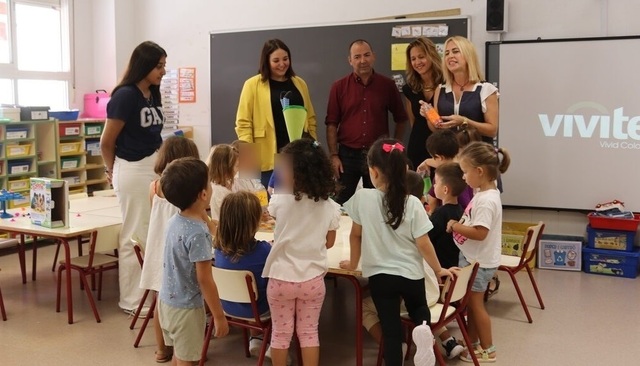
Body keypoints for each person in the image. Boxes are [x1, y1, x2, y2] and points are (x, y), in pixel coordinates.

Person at [339, 139, 453, 366]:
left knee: (391, 333)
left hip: (381, 277)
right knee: (418, 307)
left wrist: (353, 263)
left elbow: (355, 235)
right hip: (411, 274)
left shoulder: (363, 198)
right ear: (405, 171)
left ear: (373, 172)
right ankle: (422, 328)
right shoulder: (412, 203)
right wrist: (438, 269)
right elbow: (424, 244)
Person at [360, 168, 464, 361]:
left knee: (365, 306)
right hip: (433, 295)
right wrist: (440, 269)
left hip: (403, 292)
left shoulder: (396, 225)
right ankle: (446, 340)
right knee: (420, 311)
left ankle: (396, 345)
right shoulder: (421, 216)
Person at [100, 41, 167, 313]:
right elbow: (106, 142)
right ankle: (132, 301)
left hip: (152, 166)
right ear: (144, 65)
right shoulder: (125, 96)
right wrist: (110, 170)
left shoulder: (153, 93)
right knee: (134, 235)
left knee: (153, 233)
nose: (163, 71)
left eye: (164, 66)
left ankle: (154, 297)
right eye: (159, 66)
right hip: (130, 168)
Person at [262, 139, 341, 366]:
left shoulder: (278, 201)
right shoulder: (329, 207)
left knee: (280, 334)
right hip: (312, 280)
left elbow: (279, 224)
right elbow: (329, 243)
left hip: (280, 278)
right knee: (308, 333)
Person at [158, 157, 229, 365]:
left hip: (167, 302)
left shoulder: (175, 220)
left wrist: (205, 218)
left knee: (180, 356)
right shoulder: (198, 234)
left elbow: (204, 222)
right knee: (187, 360)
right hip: (187, 309)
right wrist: (218, 315)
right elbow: (204, 279)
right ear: (204, 194)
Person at [446, 142, 511, 363]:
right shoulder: (483, 192)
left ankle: (488, 349)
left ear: (479, 171)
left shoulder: (486, 200)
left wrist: (455, 225)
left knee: (475, 305)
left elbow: (480, 233)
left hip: (479, 262)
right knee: (471, 305)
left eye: (465, 172)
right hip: (474, 259)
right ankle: (472, 341)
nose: (463, 177)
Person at [138, 136, 201, 363]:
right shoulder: (187, 192)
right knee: (183, 303)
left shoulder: (154, 187)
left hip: (157, 249)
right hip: (178, 252)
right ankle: (184, 347)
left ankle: (162, 349)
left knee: (160, 302)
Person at [326, 39, 408, 205]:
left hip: (378, 155)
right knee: (340, 202)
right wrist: (334, 155)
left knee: (379, 202)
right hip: (346, 156)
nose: (362, 60)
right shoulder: (339, 87)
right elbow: (332, 123)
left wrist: (395, 146)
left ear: (373, 57)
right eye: (357, 57)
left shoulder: (387, 85)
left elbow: (401, 118)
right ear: (350, 60)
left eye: (366, 55)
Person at [236, 39, 318, 189]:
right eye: (276, 60)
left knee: (292, 201)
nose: (282, 64)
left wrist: (312, 144)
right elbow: (243, 123)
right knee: (264, 204)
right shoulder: (252, 84)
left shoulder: (299, 83)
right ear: (266, 61)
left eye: (285, 59)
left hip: (296, 155)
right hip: (264, 158)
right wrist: (249, 164)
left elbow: (310, 117)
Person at [214, 191, 271, 357]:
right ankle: (276, 342)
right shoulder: (264, 251)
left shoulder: (217, 250)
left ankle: (257, 338)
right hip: (259, 310)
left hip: (226, 306)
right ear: (253, 223)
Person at [421, 36, 499, 146]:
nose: (450, 56)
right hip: (450, 155)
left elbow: (492, 131)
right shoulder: (441, 89)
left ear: (468, 56)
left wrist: (465, 122)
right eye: (447, 53)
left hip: (477, 156)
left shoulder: (486, 89)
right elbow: (437, 129)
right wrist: (429, 116)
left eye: (455, 51)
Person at [403, 37, 445, 170]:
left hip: (442, 146)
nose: (417, 62)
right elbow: (413, 120)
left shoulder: (446, 84)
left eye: (421, 57)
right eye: (413, 59)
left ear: (432, 56)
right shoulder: (410, 88)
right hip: (418, 146)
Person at [418, 129, 475, 214]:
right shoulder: (465, 171)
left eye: (433, 158)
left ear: (439, 157)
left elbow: (431, 206)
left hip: (447, 222)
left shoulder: (441, 175)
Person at [429, 162, 466, 270]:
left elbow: (425, 238)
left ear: (445, 189)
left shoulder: (440, 213)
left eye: (435, 182)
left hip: (440, 267)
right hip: (455, 264)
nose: (434, 185)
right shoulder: (461, 211)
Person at [206, 144, 239, 221]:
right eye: (237, 166)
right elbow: (233, 218)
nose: (238, 170)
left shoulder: (229, 183)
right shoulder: (219, 191)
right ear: (226, 167)